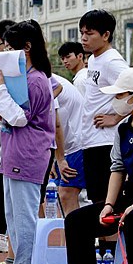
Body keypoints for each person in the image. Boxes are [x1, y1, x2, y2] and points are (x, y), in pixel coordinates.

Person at [56, 68, 133, 264]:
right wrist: (109, 204)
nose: (115, 101)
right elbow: (117, 168)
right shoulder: (123, 129)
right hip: (131, 196)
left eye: (119, 95)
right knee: (77, 220)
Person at [0, 19, 55, 264]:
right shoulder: (23, 79)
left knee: (25, 216)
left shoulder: (37, 80)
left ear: (26, 48)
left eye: (10, 47)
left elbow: (20, 118)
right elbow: (13, 114)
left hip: (28, 155)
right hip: (13, 154)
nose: (6, 53)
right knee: (13, 216)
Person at [79, 9, 129, 204]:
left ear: (106, 35)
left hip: (105, 142)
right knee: (96, 200)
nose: (83, 38)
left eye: (89, 33)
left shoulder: (112, 61)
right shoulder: (93, 59)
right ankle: (104, 236)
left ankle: (112, 236)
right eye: (82, 32)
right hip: (91, 139)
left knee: (106, 202)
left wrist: (115, 117)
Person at [52, 73, 86, 216]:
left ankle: (76, 238)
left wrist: (59, 159)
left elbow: (55, 124)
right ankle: (66, 239)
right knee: (63, 197)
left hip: (75, 145)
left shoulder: (43, 80)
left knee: (67, 194)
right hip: (67, 146)